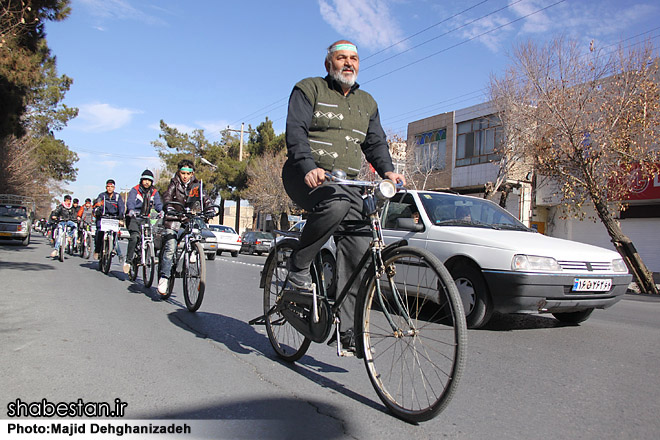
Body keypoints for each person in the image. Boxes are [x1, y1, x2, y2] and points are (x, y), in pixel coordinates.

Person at [282, 40, 406, 350]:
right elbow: (295, 131)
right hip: (305, 174)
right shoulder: (309, 88)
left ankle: (348, 331)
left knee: (361, 249)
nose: (348, 63)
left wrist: (387, 171)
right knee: (334, 205)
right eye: (341, 58)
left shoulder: (367, 102)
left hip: (345, 183)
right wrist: (308, 165)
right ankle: (298, 267)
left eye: (353, 58)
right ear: (329, 64)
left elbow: (375, 144)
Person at [158, 159, 211, 294]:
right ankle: (164, 277)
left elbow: (205, 199)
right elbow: (167, 197)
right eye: (183, 173)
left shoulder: (196, 185)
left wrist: (210, 208)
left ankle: (193, 251)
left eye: (188, 173)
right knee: (170, 247)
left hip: (189, 218)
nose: (185, 176)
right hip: (174, 218)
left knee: (196, 232)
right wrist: (169, 207)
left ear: (192, 173)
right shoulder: (174, 183)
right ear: (179, 172)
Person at [123, 170, 163, 273]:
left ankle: (148, 254)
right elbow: (130, 201)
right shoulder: (135, 190)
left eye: (149, 180)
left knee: (151, 237)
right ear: (141, 180)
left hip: (145, 218)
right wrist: (131, 210)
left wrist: (161, 211)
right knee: (135, 237)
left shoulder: (154, 192)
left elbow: (158, 204)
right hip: (133, 218)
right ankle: (128, 261)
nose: (147, 182)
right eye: (145, 180)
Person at [93, 179, 125, 260]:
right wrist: (98, 212)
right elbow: (97, 205)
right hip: (103, 218)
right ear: (106, 187)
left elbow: (121, 207)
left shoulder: (117, 197)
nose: (110, 188)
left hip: (114, 219)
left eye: (111, 187)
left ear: (114, 188)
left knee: (115, 235)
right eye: (108, 186)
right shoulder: (102, 196)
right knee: (99, 233)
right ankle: (97, 250)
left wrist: (121, 218)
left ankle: (113, 248)